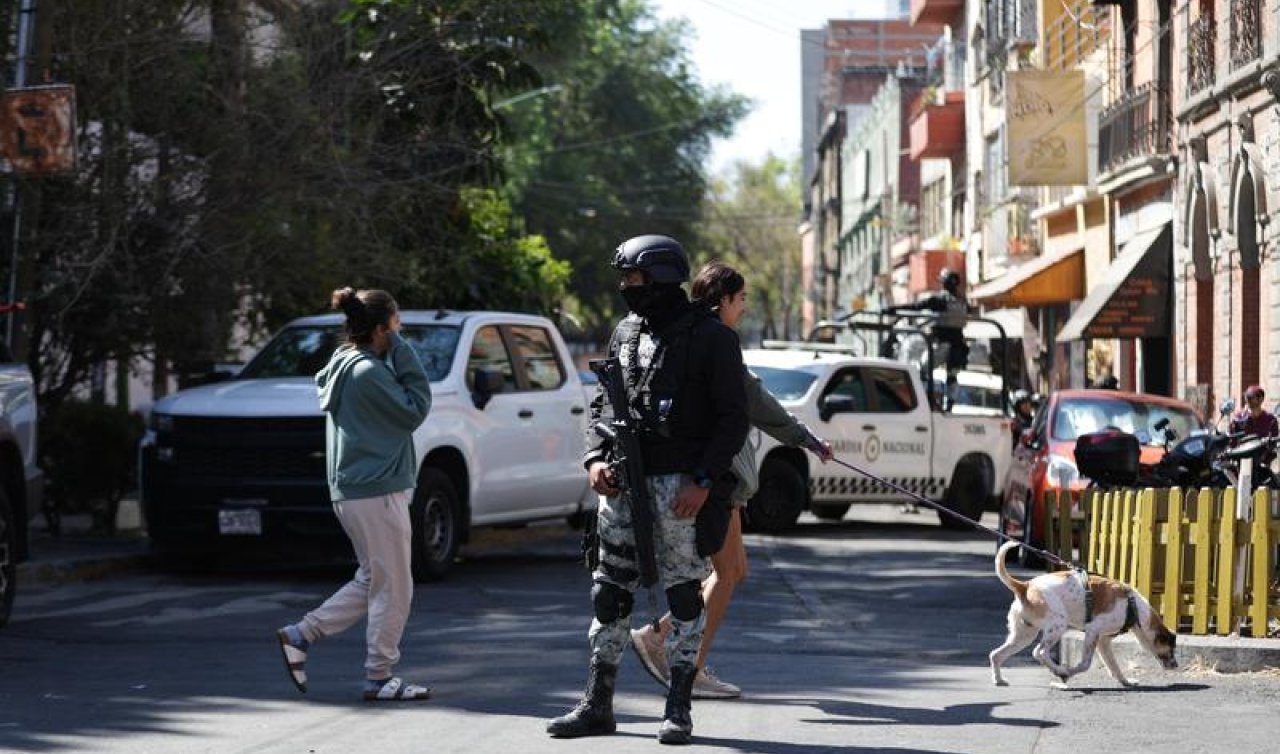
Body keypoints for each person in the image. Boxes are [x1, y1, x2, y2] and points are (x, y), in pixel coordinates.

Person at [546, 235, 749, 745]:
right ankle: (597, 704)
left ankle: (678, 707)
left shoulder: (712, 338)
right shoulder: (626, 332)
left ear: (659, 277)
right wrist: (595, 459)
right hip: (622, 487)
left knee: (684, 597)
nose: (626, 287)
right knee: (608, 594)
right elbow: (602, 405)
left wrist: (703, 482)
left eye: (633, 278)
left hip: (681, 490)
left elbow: (732, 420)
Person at [628, 260, 833, 700]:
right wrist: (806, 439)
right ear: (722, 301)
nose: (744, 307)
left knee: (735, 570)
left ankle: (662, 638)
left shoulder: (690, 336)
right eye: (740, 299)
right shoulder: (715, 342)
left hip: (722, 480)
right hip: (714, 478)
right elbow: (755, 401)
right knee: (724, 574)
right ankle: (686, 664)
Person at [275, 287, 433, 701]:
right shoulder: (369, 372)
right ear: (382, 329)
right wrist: (402, 350)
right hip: (377, 490)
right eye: (396, 324)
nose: (400, 331)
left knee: (373, 579)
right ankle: (379, 676)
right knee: (395, 588)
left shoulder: (343, 362)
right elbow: (416, 408)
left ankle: (301, 635)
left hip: (354, 490)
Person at [885, 268, 969, 409]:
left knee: (923, 371)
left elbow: (917, 306)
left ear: (944, 283)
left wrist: (893, 309)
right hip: (959, 346)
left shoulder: (940, 300)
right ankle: (949, 406)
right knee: (952, 376)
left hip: (941, 344)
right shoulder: (962, 301)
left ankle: (925, 401)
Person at [1229, 384, 1280, 466]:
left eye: (1251, 397)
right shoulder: (1239, 417)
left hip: (1262, 461)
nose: (1248, 399)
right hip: (1242, 459)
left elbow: (1274, 441)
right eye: (1247, 397)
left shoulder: (1270, 419)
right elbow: (1232, 439)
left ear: (1261, 399)